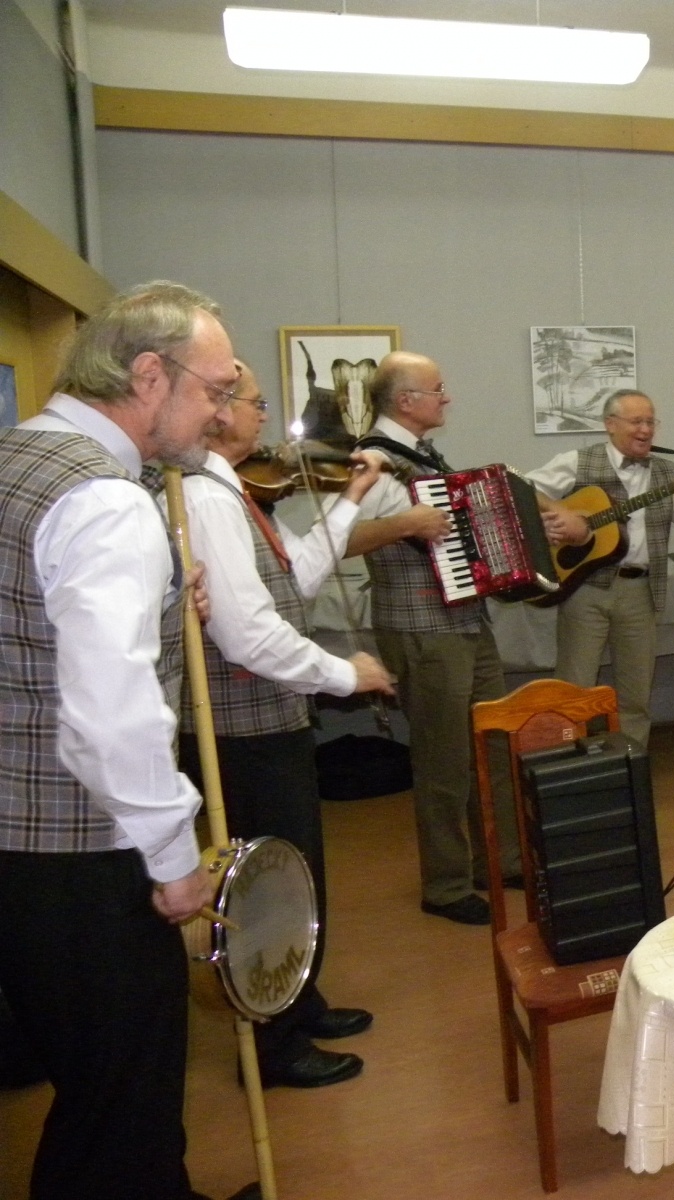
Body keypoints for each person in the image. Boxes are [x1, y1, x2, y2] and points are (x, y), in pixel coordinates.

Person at [0, 281, 255, 1200]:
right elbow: (112, 708)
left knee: (90, 1081)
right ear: (150, 375)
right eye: (217, 390)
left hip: (16, 843)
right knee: (123, 1099)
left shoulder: (22, 453)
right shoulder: (106, 502)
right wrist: (171, 852)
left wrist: (153, 586)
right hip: (82, 852)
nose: (224, 416)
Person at [169, 359, 397, 1087]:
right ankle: (273, 1043)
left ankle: (299, 1000)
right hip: (243, 730)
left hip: (269, 719)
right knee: (265, 887)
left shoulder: (235, 491)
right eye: (257, 403)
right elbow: (248, 634)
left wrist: (353, 497)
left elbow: (293, 575)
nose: (267, 418)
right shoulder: (206, 498)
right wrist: (345, 673)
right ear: (217, 410)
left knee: (297, 872)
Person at [348, 351, 521, 925]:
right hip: (421, 628)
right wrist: (405, 523)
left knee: (493, 745)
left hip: (467, 622)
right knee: (444, 760)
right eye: (436, 389)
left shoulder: (423, 456)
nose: (445, 397)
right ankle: (445, 886)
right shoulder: (371, 461)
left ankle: (499, 861)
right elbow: (339, 539)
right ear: (405, 401)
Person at [527, 390, 674, 747]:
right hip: (585, 589)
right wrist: (563, 515)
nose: (645, 430)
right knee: (573, 689)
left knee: (635, 693)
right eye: (636, 422)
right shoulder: (577, 461)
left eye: (650, 422)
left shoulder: (667, 470)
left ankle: (631, 768)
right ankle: (567, 769)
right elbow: (523, 487)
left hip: (641, 591)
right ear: (610, 425)